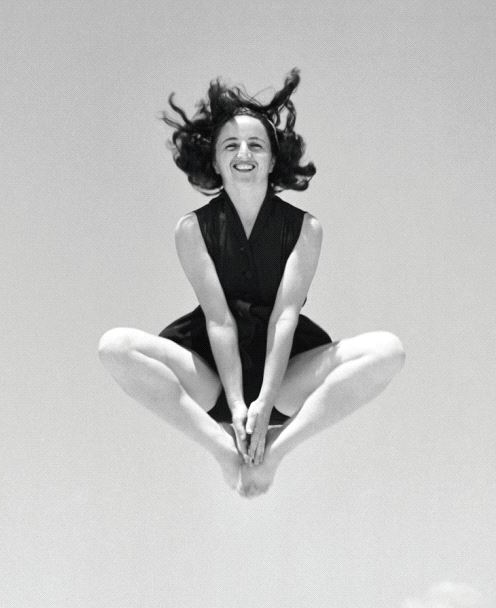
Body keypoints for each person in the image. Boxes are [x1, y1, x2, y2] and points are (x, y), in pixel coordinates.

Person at [98, 69, 404, 497]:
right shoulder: (191, 229)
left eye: (255, 144)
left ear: (273, 160)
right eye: (231, 145)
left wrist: (266, 401)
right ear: (218, 162)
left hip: (282, 375)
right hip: (213, 372)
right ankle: (223, 450)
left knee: (387, 350)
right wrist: (239, 404)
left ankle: (275, 452)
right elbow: (219, 320)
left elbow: (285, 316)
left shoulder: (306, 228)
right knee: (115, 346)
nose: (244, 152)